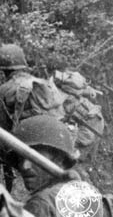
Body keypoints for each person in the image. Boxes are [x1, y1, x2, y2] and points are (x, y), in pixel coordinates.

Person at [7, 115, 103, 217]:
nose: (24, 166)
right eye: (21, 158)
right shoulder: (81, 194)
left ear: (59, 158)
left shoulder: (41, 205)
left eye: (33, 157)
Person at [0, 44, 65, 191]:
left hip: (28, 144)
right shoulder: (42, 83)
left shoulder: (5, 90)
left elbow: (3, 126)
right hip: (56, 142)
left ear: (4, 70)